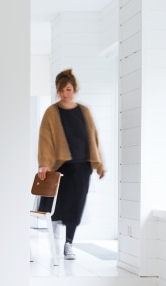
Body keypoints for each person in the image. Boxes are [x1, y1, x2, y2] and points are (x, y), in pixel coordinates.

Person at [37, 68, 105, 260]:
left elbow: (94, 138)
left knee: (76, 206)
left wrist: (99, 165)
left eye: (68, 89)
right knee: (55, 207)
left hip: (82, 167)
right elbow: (45, 139)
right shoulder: (52, 112)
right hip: (60, 167)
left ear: (74, 89)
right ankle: (54, 239)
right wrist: (44, 163)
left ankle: (69, 243)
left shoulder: (84, 111)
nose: (65, 94)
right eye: (61, 90)